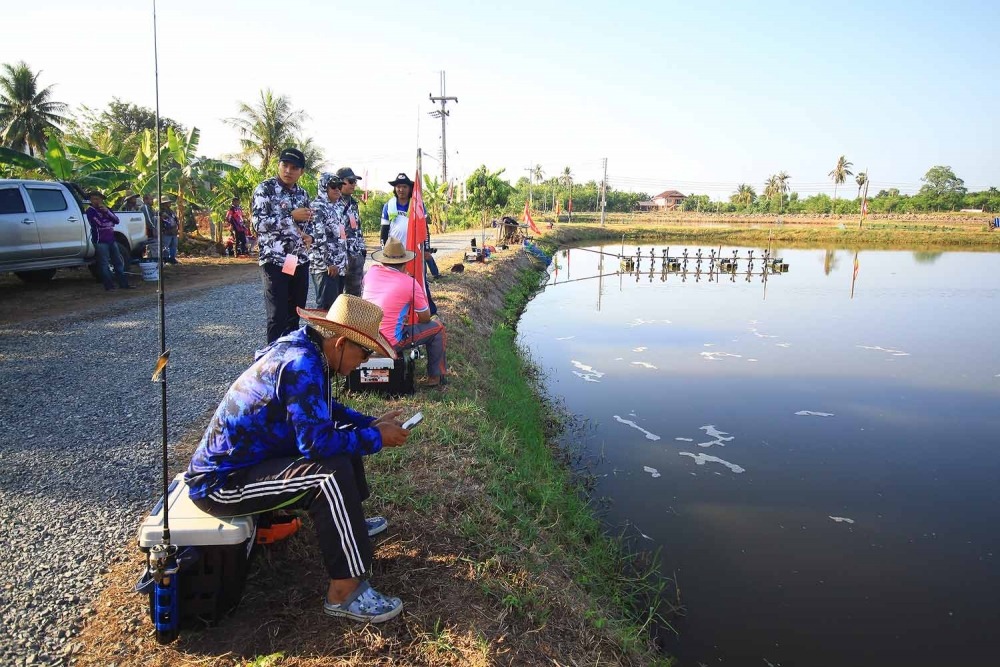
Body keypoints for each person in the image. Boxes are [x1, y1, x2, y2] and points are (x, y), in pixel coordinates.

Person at [184, 294, 410, 623]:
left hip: (250, 463)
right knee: (327, 474)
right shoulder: (303, 365)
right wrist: (377, 438)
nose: (363, 363)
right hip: (219, 484)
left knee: (344, 435)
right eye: (364, 353)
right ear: (342, 343)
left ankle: (352, 524)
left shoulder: (305, 347)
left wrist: (368, 423)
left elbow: (324, 412)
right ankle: (344, 592)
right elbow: (316, 446)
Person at [362, 238, 447, 387]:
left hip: (366, 338)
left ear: (383, 260)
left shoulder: (371, 273)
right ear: (405, 262)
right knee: (437, 328)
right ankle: (436, 376)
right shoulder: (409, 282)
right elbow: (425, 317)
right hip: (390, 342)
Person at [254, 148, 313, 343]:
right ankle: (271, 364)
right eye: (284, 165)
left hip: (298, 261)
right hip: (274, 261)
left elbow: (307, 225)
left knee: (294, 315)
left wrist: (308, 236)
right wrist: (289, 216)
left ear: (301, 172)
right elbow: (259, 224)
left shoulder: (303, 194)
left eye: (294, 167)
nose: (288, 170)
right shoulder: (265, 190)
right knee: (277, 316)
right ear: (278, 165)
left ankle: (289, 360)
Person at [380, 173, 437, 312]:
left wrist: (426, 249)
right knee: (395, 283)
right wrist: (384, 251)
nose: (401, 190)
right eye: (398, 186)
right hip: (395, 253)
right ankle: (397, 311)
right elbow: (384, 230)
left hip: (415, 251)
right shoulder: (389, 205)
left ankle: (428, 310)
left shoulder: (417, 204)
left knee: (418, 281)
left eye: (404, 186)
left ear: (410, 188)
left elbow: (425, 229)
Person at [308, 173, 348, 310]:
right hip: (325, 267)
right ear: (324, 187)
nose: (337, 189)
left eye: (339, 186)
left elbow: (341, 236)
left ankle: (334, 332)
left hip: (339, 266)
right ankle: (322, 332)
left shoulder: (337, 207)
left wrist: (343, 262)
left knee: (337, 308)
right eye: (333, 186)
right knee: (326, 308)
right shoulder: (317, 207)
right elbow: (319, 237)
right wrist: (329, 263)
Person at [86, 191, 132, 291]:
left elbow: (116, 220)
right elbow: (99, 224)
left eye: (98, 199)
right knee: (104, 264)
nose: (96, 201)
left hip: (111, 239)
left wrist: (107, 212)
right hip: (100, 241)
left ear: (102, 200)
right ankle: (109, 286)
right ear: (91, 200)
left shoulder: (107, 209)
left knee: (118, 263)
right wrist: (110, 222)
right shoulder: (90, 211)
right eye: (94, 199)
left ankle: (123, 284)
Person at [335, 167, 365, 297]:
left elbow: (358, 228)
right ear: (340, 182)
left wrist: (362, 251)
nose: (354, 185)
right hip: (338, 257)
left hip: (355, 256)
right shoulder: (331, 202)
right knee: (335, 298)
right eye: (351, 181)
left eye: (355, 182)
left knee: (354, 297)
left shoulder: (353, 203)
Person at [159, 200, 180, 264]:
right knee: (165, 246)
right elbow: (166, 221)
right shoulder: (161, 212)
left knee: (174, 245)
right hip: (166, 232)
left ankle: (172, 258)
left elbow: (175, 220)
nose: (170, 203)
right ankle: (165, 259)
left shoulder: (171, 211)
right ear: (164, 203)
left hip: (173, 232)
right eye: (168, 202)